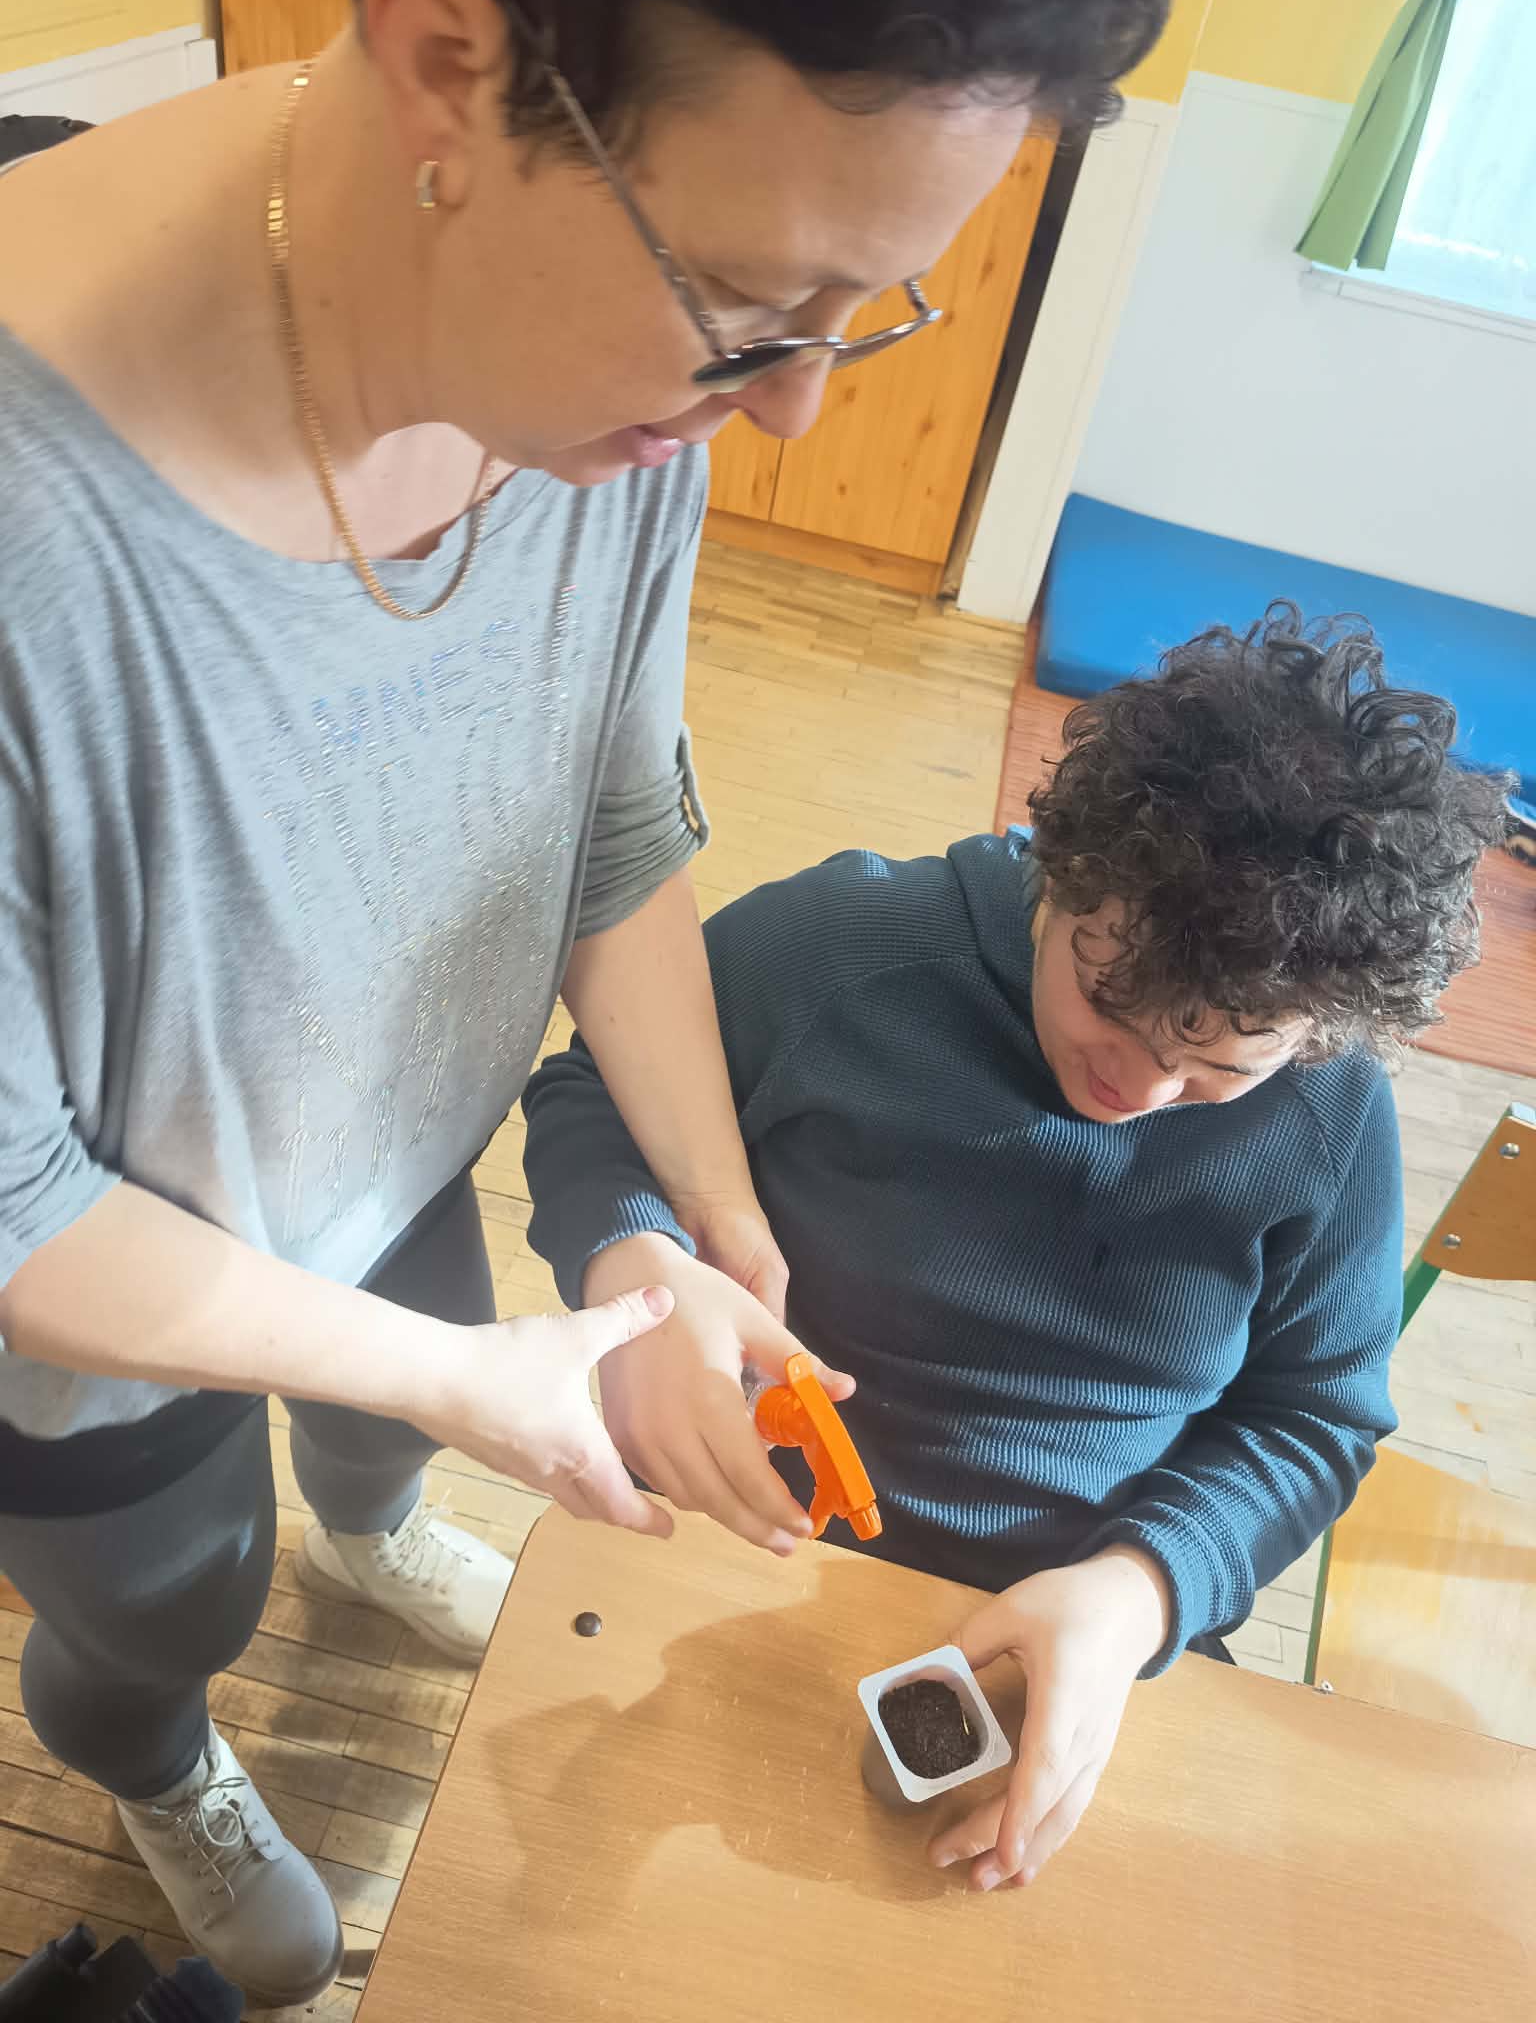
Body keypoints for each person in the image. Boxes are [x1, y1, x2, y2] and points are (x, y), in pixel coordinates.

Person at [0, 0, 1172, 2004]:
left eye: (865, 310)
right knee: (167, 1594)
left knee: (388, 1426)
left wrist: (713, 1219)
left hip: (399, 1149)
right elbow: (20, 1212)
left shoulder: (614, 385)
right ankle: (157, 1753)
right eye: (750, 303)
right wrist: (477, 1385)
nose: (792, 405)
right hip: (102, 1318)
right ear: (449, 58)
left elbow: (609, 819)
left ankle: (374, 1526)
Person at [523, 607, 1511, 1895]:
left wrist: (1142, 1590)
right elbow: (593, 1090)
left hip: (1086, 1615)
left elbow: (1315, 1417)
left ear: (1315, 1034)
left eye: (1221, 1068)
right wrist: (635, 1263)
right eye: (1112, 1004)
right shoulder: (845, 948)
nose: (1142, 1092)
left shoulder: (1330, 1115)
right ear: (1068, 866)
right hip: (747, 1536)